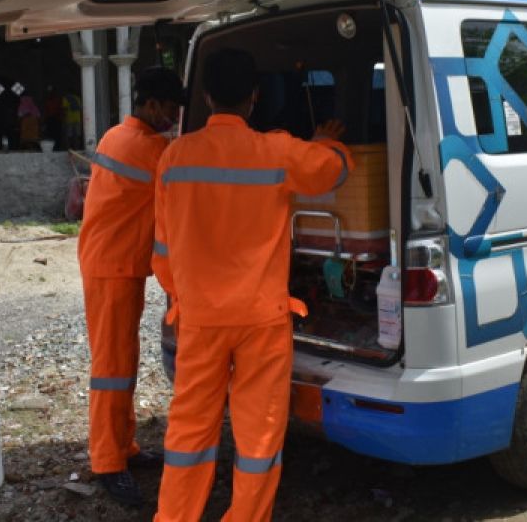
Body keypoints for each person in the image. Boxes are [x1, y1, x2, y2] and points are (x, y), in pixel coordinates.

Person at [151, 48, 352, 522]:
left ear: (205, 96)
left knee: (188, 433)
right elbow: (334, 171)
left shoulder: (174, 158)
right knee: (258, 436)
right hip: (261, 320)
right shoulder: (276, 151)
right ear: (255, 97)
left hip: (199, 318)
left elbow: (162, 252)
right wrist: (329, 142)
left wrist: (185, 299)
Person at [77, 66, 185, 508]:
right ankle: (106, 462)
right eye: (173, 110)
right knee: (111, 369)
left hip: (114, 263)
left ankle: (124, 447)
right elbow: (186, 166)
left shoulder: (116, 135)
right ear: (155, 106)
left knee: (123, 362)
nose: (175, 118)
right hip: (111, 266)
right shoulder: (147, 148)